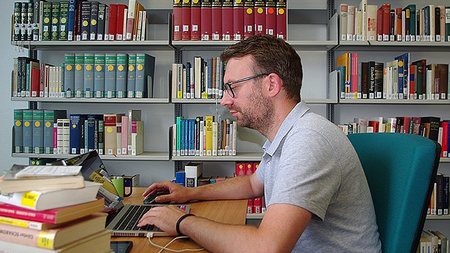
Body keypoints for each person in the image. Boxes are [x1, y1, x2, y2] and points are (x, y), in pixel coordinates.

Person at [138, 35, 381, 252]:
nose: (225, 100)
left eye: (233, 87)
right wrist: (190, 193)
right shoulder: (290, 134)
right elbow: (254, 184)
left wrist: (180, 222)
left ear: (271, 85)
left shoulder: (309, 140)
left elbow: (267, 248)